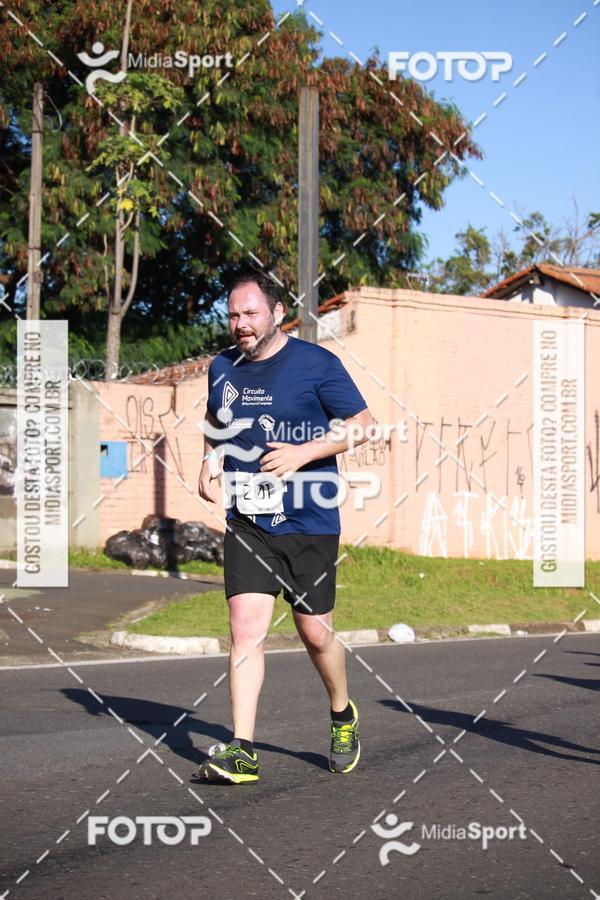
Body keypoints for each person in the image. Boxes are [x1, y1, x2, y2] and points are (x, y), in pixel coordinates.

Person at [197, 272, 374, 784]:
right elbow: (215, 423)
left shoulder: (316, 364)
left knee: (315, 632)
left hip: (309, 520)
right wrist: (209, 460)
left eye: (250, 313)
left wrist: (303, 453)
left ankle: (342, 713)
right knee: (245, 630)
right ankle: (242, 750)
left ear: (277, 313)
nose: (241, 324)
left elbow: (363, 425)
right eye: (233, 315)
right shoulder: (222, 368)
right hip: (248, 521)